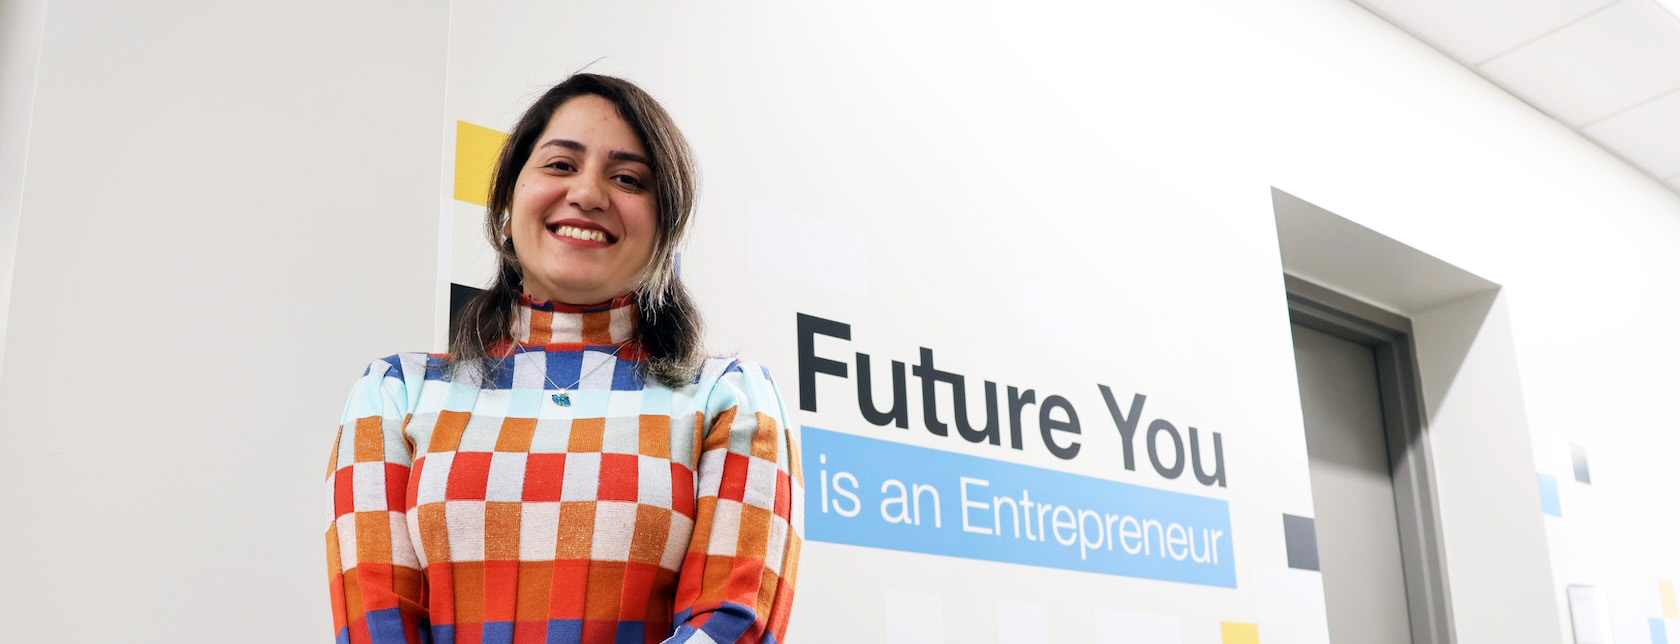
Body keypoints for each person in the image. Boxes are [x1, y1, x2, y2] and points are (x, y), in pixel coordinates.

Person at [325, 73, 802, 644]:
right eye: (559, 165)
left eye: (627, 179)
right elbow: (376, 623)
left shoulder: (729, 398)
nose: (588, 193)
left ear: (665, 229)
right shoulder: (397, 392)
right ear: (507, 201)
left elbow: (732, 623)